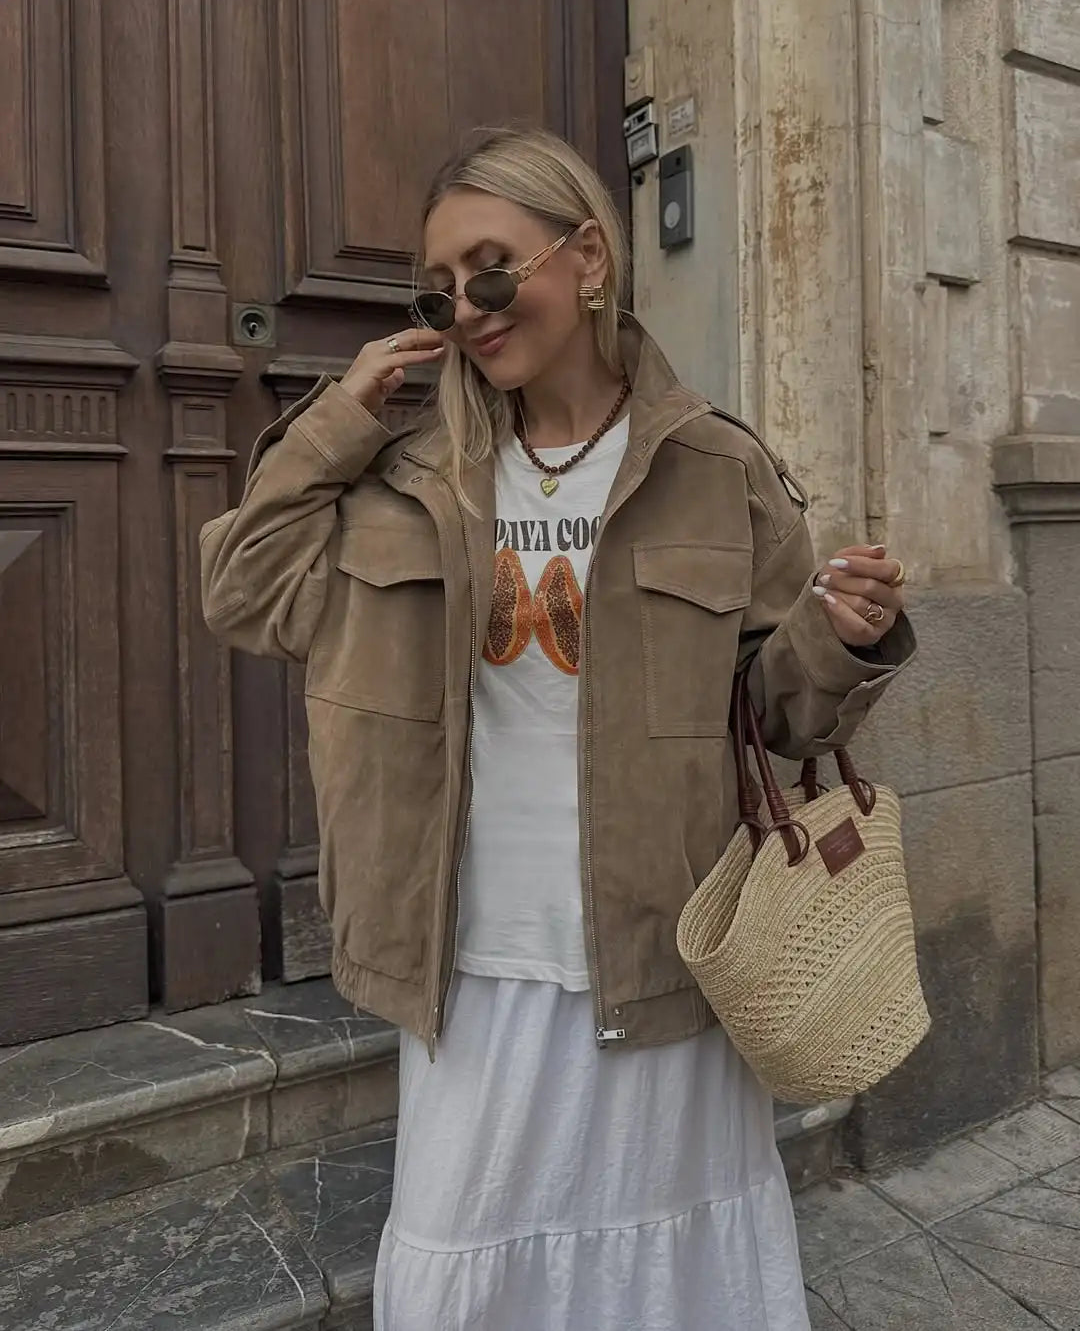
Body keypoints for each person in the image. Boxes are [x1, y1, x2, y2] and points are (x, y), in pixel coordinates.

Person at [201, 126, 915, 1330]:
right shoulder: (408, 469)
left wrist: (840, 633)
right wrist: (337, 421)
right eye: (440, 290)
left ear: (588, 256)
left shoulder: (716, 466)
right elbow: (243, 593)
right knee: (465, 1259)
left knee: (666, 1281)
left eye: (493, 268)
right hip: (468, 957)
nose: (469, 311)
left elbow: (776, 714)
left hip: (659, 951)